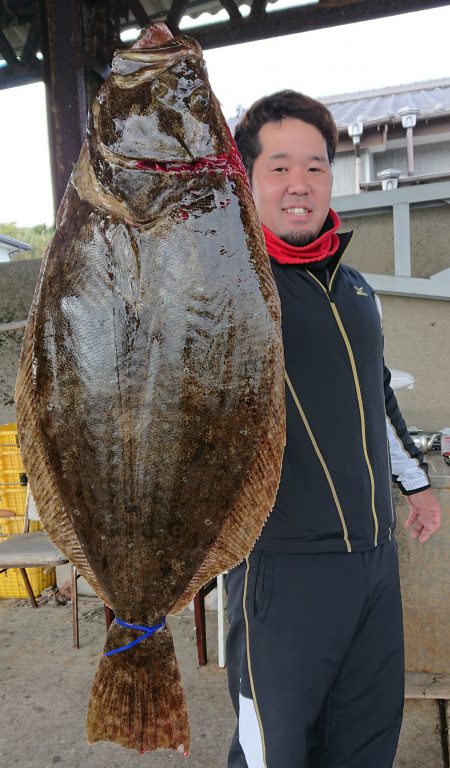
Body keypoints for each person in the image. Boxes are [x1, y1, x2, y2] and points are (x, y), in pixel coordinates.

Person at [226, 90, 441, 768]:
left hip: (373, 562)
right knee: (275, 752)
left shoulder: (355, 288)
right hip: (280, 568)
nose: (300, 184)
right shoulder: (226, 288)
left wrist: (416, 486)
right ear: (245, 178)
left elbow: (377, 395)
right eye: (280, 166)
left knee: (365, 742)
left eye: (316, 167)